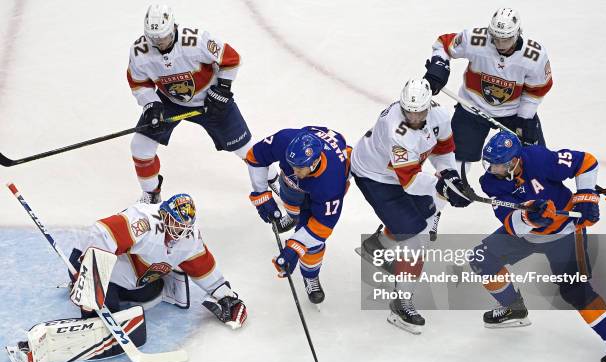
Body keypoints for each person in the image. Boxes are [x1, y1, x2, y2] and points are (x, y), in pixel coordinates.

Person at [6, 193, 246, 362]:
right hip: (94, 261)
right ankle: (88, 305)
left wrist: (225, 295)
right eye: (176, 224)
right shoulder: (143, 221)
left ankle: (106, 296)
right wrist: (91, 278)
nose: (180, 232)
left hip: (137, 278)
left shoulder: (189, 237)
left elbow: (202, 264)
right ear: (165, 215)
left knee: (146, 297)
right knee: (99, 309)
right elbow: (101, 232)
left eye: (185, 227)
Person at [469, 130, 606, 362]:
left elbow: (586, 162)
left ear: (514, 161)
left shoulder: (539, 158)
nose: (493, 170)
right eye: (490, 164)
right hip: (527, 234)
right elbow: (511, 224)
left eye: (499, 165)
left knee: (575, 290)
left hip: (565, 233)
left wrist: (585, 199)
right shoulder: (490, 182)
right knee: (481, 259)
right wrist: (530, 217)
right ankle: (514, 308)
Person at [127, 4, 281, 206]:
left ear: (173, 27)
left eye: (163, 37)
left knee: (246, 149)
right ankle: (151, 195)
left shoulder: (196, 41)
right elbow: (139, 83)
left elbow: (231, 58)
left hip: (211, 101)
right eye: (154, 38)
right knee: (140, 146)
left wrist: (223, 90)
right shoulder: (139, 53)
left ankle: (275, 179)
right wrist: (151, 104)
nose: (159, 42)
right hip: (170, 102)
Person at [350, 78, 471, 334]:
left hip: (402, 174)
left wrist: (449, 174)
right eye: (409, 112)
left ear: (429, 106)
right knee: (415, 240)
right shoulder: (396, 130)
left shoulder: (439, 116)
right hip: (376, 176)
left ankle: (377, 246)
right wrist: (443, 187)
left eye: (420, 112)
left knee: (424, 220)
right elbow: (411, 182)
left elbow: (443, 150)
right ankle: (401, 303)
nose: (414, 117)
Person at [424, 7, 553, 172]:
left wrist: (525, 119)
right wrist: (438, 68)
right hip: (472, 106)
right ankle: (450, 193)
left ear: (518, 33)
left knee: (535, 159)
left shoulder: (534, 56)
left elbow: (537, 90)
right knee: (456, 160)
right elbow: (443, 44)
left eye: (505, 39)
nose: (500, 44)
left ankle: (541, 195)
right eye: (496, 38)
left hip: (513, 113)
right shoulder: (475, 39)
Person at [245, 126, 351, 304]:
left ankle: (311, 276)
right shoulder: (285, 140)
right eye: (291, 164)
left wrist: (295, 247)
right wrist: (261, 194)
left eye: (300, 168)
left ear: (315, 161)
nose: (294, 171)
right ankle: (293, 216)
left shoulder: (332, 183)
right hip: (298, 185)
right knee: (290, 197)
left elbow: (322, 226)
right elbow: (255, 156)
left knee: (312, 243)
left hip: (321, 193)